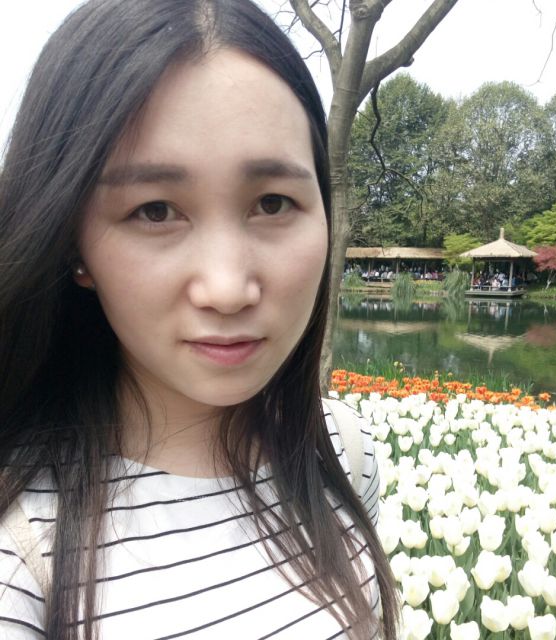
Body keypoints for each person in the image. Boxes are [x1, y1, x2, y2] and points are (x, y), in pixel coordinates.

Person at [0, 1, 398, 638]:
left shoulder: (343, 452)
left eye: (274, 203)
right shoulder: (19, 551)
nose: (228, 289)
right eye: (155, 211)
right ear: (72, 242)